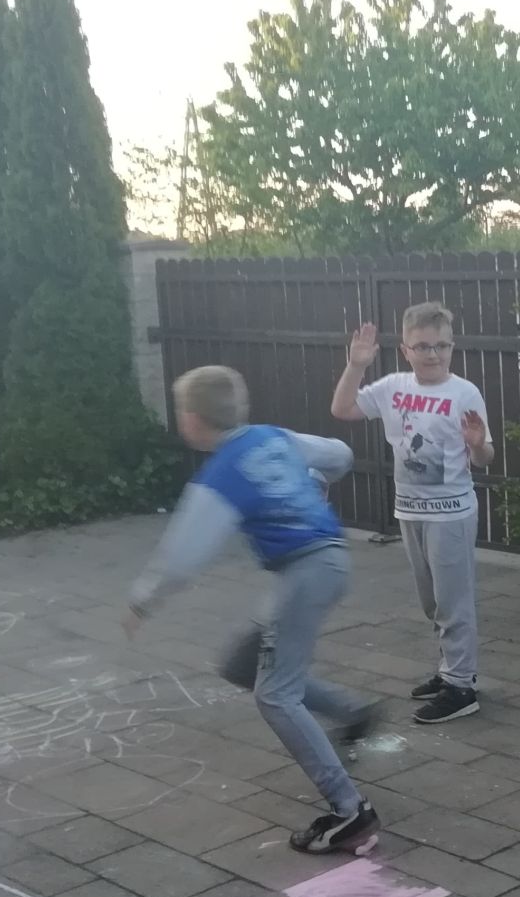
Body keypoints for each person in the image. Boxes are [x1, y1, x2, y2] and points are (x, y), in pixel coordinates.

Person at [124, 366, 381, 856]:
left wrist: (142, 601)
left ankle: (350, 811)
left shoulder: (221, 474)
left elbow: (182, 557)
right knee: (242, 663)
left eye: (181, 411)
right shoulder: (271, 437)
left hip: (305, 573)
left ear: (193, 420)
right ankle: (353, 714)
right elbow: (340, 455)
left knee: (276, 695)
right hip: (326, 562)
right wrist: (314, 478)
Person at [330, 301, 492, 724]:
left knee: (453, 602)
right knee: (432, 601)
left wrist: (477, 444)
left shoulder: (464, 393)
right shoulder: (392, 387)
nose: (433, 354)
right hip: (410, 511)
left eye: (441, 346)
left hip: (451, 514)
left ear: (452, 347)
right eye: (422, 347)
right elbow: (343, 409)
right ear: (405, 350)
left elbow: (484, 458)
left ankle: (462, 687)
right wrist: (356, 366)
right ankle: (450, 669)